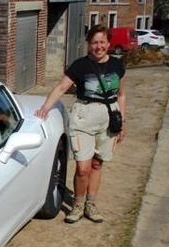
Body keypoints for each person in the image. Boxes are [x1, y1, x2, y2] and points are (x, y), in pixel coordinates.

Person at [35, 24, 127, 223]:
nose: (98, 46)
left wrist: (122, 122)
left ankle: (91, 205)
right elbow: (61, 88)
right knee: (83, 167)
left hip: (110, 116)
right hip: (84, 116)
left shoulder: (117, 65)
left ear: (109, 43)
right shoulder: (80, 65)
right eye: (94, 42)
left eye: (102, 42)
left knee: (97, 163)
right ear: (88, 44)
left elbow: (121, 94)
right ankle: (77, 205)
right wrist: (45, 108)